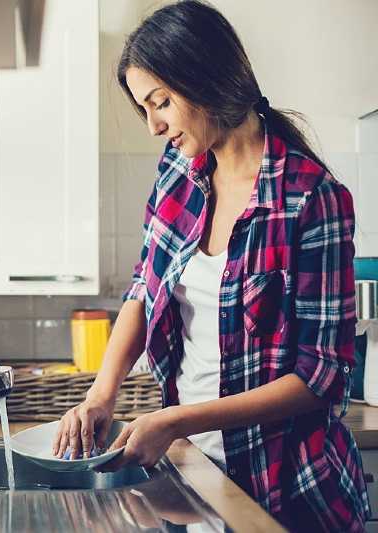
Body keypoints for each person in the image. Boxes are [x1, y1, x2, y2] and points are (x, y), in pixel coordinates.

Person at [51, 1, 370, 530]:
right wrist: (99, 397)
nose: (153, 126)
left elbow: (322, 376)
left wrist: (177, 420)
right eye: (144, 108)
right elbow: (143, 291)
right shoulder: (178, 172)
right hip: (194, 473)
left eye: (162, 103)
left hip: (290, 489)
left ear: (205, 79)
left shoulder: (312, 199)